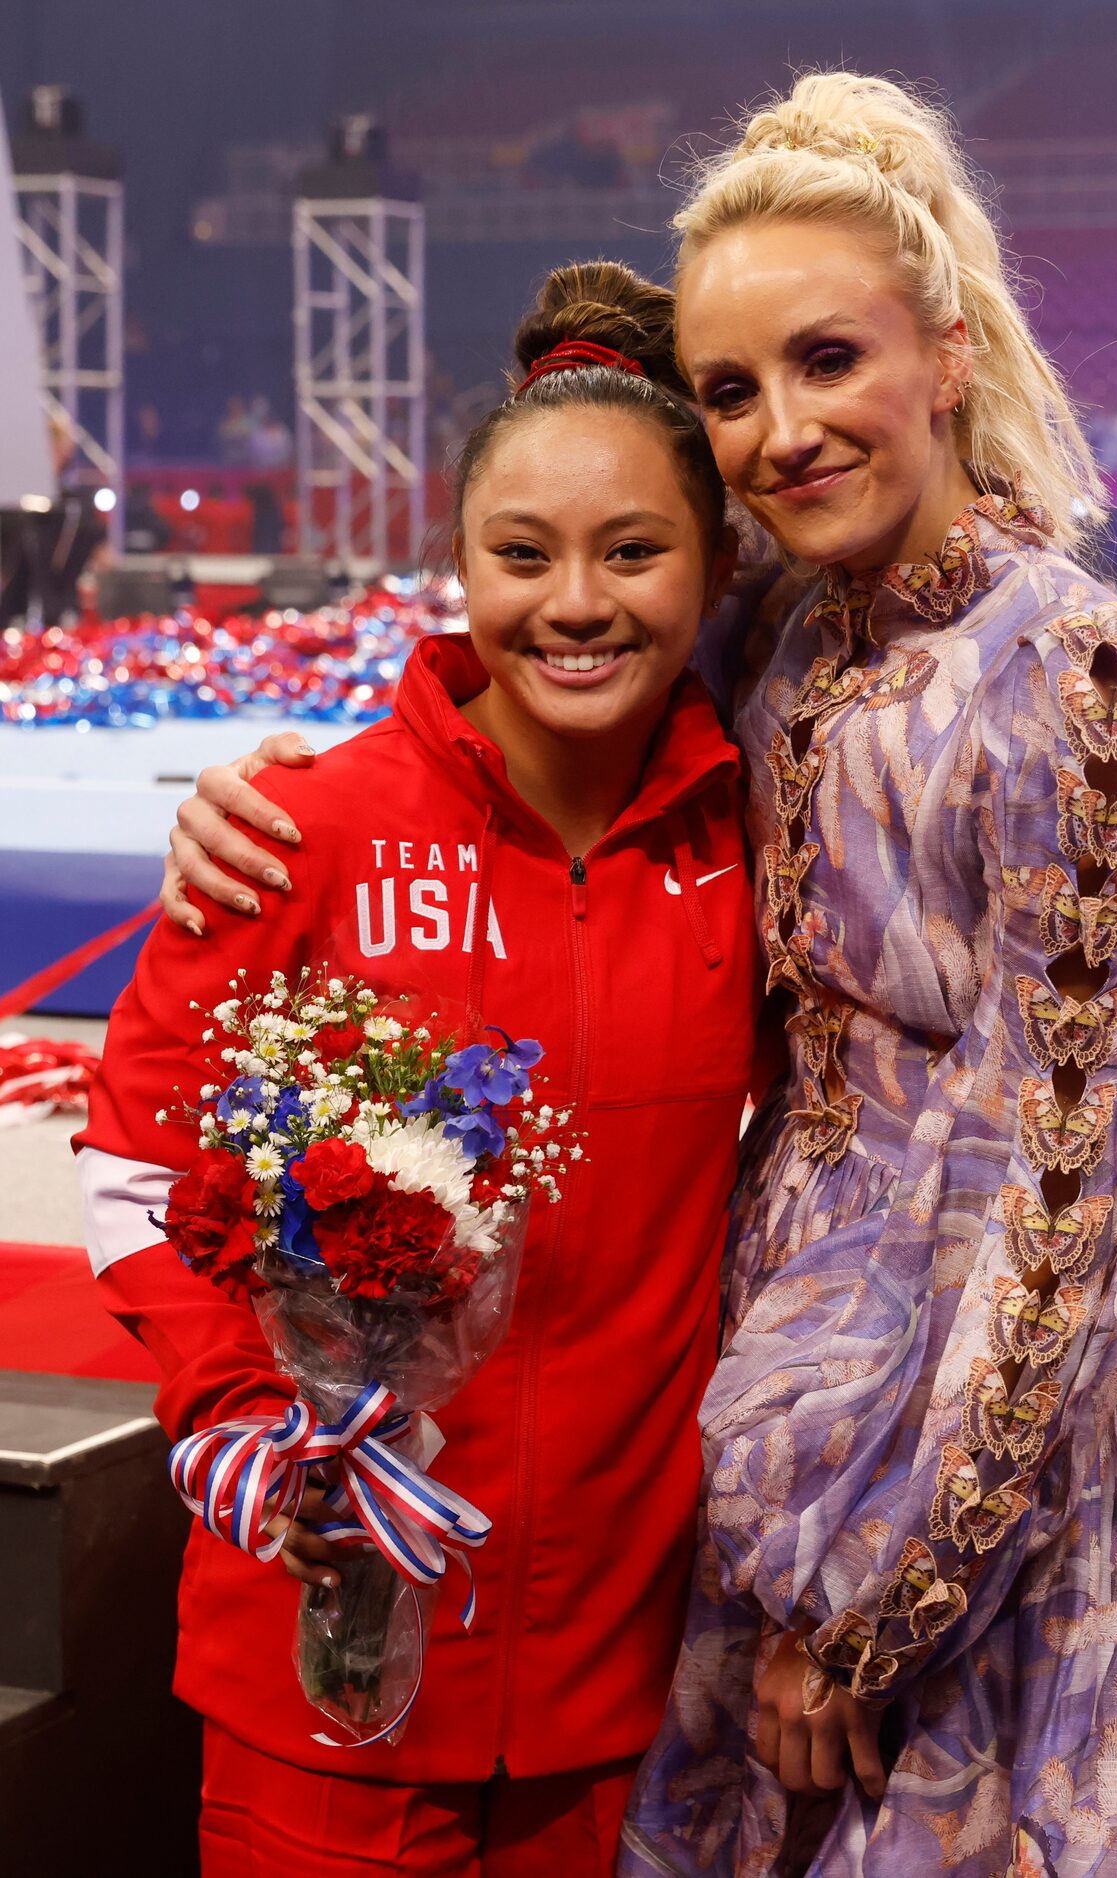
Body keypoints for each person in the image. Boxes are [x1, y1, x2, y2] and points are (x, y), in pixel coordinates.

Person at [157, 73, 1117, 1876]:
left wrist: (882, 1596)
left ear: (946, 347)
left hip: (964, 1448)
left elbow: (1070, 1198)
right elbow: (552, 643)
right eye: (733, 390)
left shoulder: (1067, 673)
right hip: (755, 1418)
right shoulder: (771, 628)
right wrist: (291, 789)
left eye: (827, 360)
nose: (781, 431)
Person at [76, 262, 761, 1878]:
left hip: (618, 1687)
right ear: (453, 565)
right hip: (323, 1671)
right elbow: (129, 1163)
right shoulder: (302, 830)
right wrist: (253, 1421)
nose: (573, 601)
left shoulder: (760, 843)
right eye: (519, 554)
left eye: (634, 549)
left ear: (717, 564)